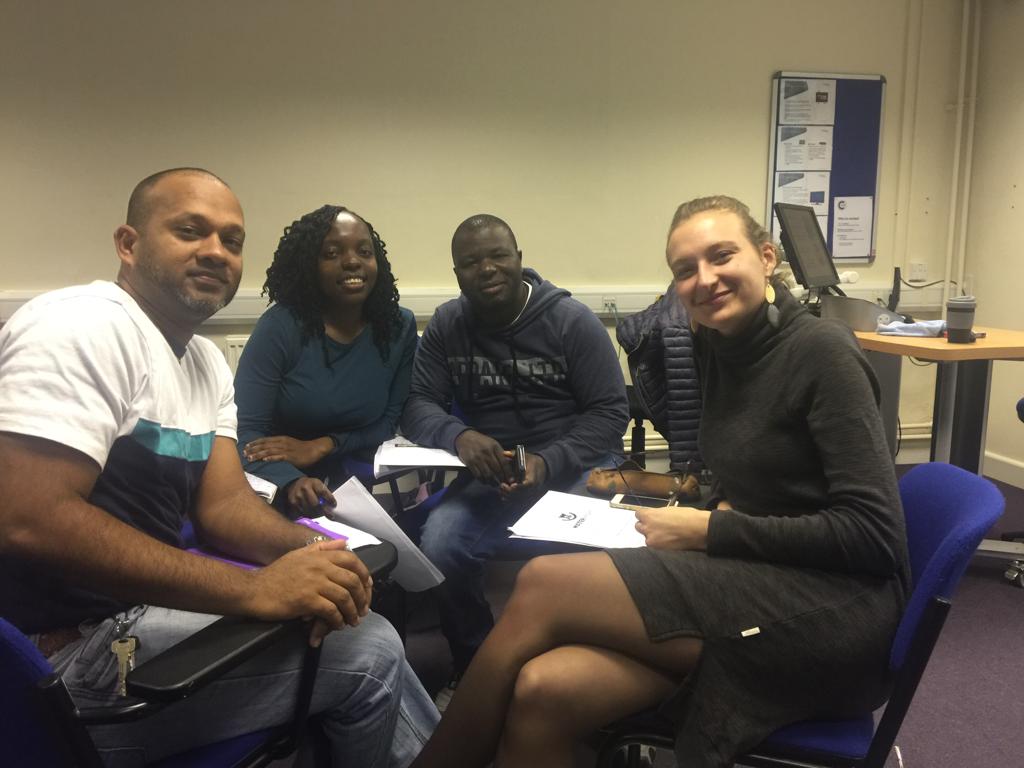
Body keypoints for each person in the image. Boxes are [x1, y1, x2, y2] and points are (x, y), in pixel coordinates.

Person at [408, 196, 910, 768]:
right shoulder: (720, 346)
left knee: (544, 582)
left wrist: (709, 530)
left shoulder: (823, 353)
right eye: (685, 269)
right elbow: (762, 478)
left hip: (832, 613)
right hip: (755, 569)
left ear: (767, 258)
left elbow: (876, 537)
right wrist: (707, 508)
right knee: (543, 690)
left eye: (722, 256)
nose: (704, 279)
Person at [0, 168, 437, 766]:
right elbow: (30, 518)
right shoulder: (81, 325)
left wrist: (321, 556)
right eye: (190, 231)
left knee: (346, 623)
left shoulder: (203, 361)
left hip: (134, 613)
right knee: (371, 653)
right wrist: (255, 589)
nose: (215, 252)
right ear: (128, 244)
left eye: (232, 241)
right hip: (59, 662)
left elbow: (226, 507)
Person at [401, 213, 630, 706]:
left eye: (498, 256)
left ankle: (577, 666)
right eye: (471, 262)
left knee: (579, 551)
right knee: (441, 545)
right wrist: (459, 435)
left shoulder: (572, 321)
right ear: (457, 274)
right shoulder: (447, 324)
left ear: (519, 260)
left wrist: (548, 460)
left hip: (575, 462)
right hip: (495, 474)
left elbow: (611, 412)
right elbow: (418, 404)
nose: (486, 268)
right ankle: (476, 665)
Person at [234, 204, 417, 518]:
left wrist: (323, 445)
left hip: (358, 481)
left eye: (364, 252)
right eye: (332, 253)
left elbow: (388, 421)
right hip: (279, 481)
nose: (352, 262)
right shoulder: (280, 327)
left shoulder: (398, 327)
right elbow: (244, 430)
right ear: (309, 266)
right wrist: (292, 481)